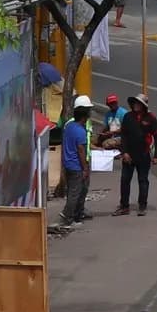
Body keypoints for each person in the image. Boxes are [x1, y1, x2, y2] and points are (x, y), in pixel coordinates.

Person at [117, 95, 157, 213]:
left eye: (139, 103)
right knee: (125, 180)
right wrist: (124, 152)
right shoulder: (128, 117)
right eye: (135, 103)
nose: (136, 105)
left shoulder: (151, 118)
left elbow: (156, 136)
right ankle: (124, 206)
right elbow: (123, 135)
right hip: (129, 155)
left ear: (144, 106)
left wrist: (156, 156)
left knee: (143, 180)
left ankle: (142, 206)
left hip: (144, 155)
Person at [60, 94, 94, 226]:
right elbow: (81, 151)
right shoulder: (80, 131)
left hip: (68, 165)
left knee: (76, 191)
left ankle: (78, 214)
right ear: (85, 114)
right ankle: (68, 216)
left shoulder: (69, 126)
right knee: (75, 193)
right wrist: (85, 168)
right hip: (76, 167)